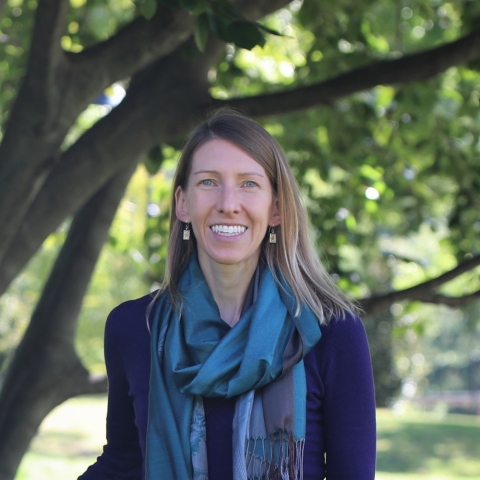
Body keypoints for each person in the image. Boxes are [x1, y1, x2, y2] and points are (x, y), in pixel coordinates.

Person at [79, 110, 376, 480]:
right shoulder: (134, 328)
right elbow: (123, 462)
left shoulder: (331, 332)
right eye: (208, 182)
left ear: (277, 208)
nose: (228, 203)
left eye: (249, 184)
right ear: (182, 203)